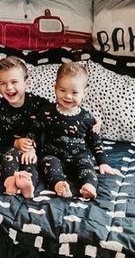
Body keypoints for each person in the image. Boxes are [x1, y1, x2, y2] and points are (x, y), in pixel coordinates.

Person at [40, 61, 120, 200]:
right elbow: (35, 131)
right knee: (48, 164)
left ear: (84, 92)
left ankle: (88, 186)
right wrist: (29, 146)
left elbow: (95, 141)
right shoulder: (46, 112)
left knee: (87, 168)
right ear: (55, 88)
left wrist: (102, 162)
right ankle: (60, 185)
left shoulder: (87, 118)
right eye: (62, 90)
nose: (68, 96)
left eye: (74, 92)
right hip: (53, 155)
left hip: (79, 156)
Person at [0, 56, 46, 199]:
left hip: (31, 150)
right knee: (10, 155)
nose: (9, 88)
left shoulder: (39, 105)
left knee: (30, 161)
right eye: (3, 83)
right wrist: (14, 143)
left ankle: (28, 184)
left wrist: (32, 146)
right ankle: (10, 181)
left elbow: (60, 114)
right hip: (8, 148)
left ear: (26, 83)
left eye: (14, 82)